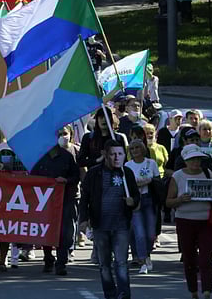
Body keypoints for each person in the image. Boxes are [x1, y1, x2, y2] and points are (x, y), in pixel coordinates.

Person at [79, 140, 140, 299]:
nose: (116, 157)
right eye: (112, 154)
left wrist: (132, 201)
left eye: (120, 154)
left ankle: (123, 295)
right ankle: (110, 294)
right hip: (100, 225)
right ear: (105, 154)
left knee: (121, 262)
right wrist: (83, 219)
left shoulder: (127, 173)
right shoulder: (94, 173)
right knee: (104, 265)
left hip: (121, 226)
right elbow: (84, 197)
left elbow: (136, 196)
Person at [166, 144, 212, 299]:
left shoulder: (207, 173)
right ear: (185, 160)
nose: (196, 162)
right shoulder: (178, 176)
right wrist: (180, 199)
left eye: (198, 159)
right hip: (184, 221)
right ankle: (193, 290)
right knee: (189, 258)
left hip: (205, 222)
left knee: (206, 258)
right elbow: (168, 202)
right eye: (192, 159)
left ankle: (207, 291)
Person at [30, 127, 80, 275]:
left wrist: (66, 180)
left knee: (64, 233)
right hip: (45, 202)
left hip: (65, 199)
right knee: (47, 231)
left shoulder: (67, 156)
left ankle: (61, 263)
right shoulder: (39, 158)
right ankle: (48, 258)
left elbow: (76, 176)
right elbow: (33, 177)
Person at [125, 139, 160, 274]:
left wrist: (149, 181)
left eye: (137, 148)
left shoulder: (151, 163)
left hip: (149, 200)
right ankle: (143, 260)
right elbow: (127, 184)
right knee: (139, 233)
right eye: (132, 149)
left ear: (143, 149)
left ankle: (147, 254)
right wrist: (137, 185)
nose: (135, 151)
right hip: (136, 202)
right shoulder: (128, 165)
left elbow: (158, 181)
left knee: (151, 233)